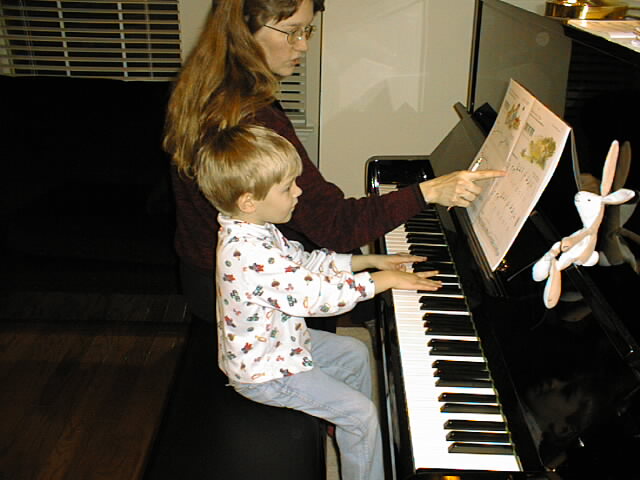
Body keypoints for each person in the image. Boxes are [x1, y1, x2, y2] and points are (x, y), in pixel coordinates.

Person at [164, 0, 505, 326]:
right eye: (292, 31)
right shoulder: (251, 118)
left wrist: (365, 260)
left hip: (207, 272)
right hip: (249, 299)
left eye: (307, 30)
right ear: (242, 31)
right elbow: (335, 228)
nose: (303, 46)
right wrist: (428, 192)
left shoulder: (201, 86)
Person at [193, 123, 442, 480]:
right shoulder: (247, 253)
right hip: (265, 373)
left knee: (356, 355)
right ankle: (359, 443)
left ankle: (350, 434)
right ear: (248, 200)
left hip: (281, 342)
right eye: (287, 187)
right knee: (361, 415)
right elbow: (317, 298)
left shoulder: (255, 228)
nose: (299, 192)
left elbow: (307, 263)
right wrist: (383, 281)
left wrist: (369, 262)